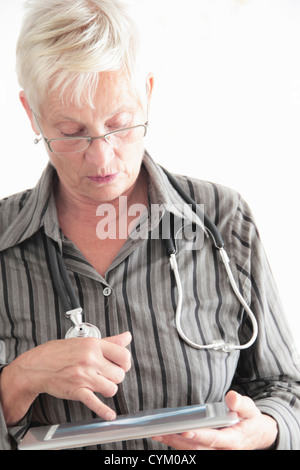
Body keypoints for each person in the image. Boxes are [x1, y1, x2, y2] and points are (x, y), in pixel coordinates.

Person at [0, 0, 299, 451]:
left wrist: (264, 430)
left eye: (119, 125)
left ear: (148, 94)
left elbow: (286, 391)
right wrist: (17, 382)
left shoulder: (223, 218)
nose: (101, 157)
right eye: (70, 130)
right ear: (31, 114)